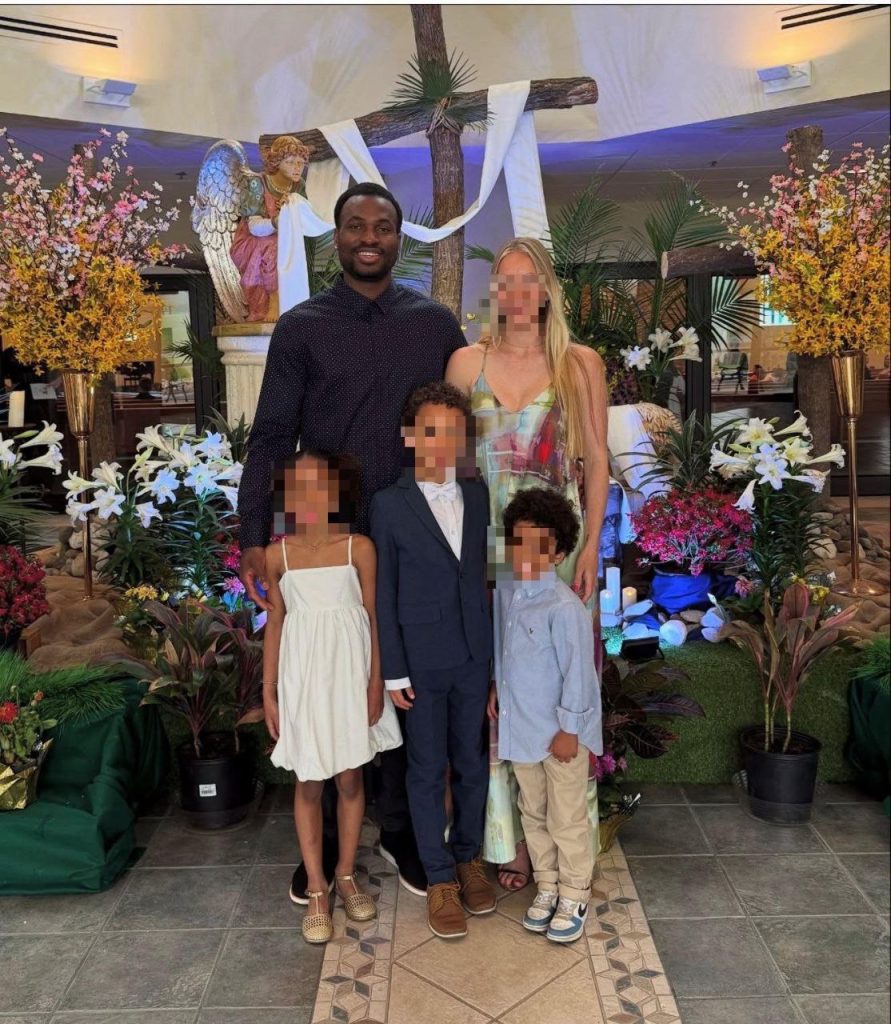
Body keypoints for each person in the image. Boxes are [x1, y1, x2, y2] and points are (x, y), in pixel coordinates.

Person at [238, 181, 466, 901]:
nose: (370, 237)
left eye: (383, 226)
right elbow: (272, 435)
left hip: (415, 534)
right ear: (335, 237)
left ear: (399, 236)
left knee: (401, 677)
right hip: (323, 534)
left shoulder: (434, 324)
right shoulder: (302, 326)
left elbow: (460, 424)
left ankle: (400, 829)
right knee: (325, 674)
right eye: (356, 225)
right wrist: (253, 536)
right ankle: (331, 847)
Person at [446, 236, 609, 891]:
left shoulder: (578, 363)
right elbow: (447, 462)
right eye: (504, 281)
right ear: (495, 293)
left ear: (546, 290)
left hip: (557, 551)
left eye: (527, 280)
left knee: (558, 680)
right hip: (486, 548)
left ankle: (568, 843)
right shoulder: (467, 363)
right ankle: (508, 842)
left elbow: (596, 460)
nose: (516, 293)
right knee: (499, 688)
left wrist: (591, 545)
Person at [262, 450, 402, 944]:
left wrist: (376, 682)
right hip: (303, 681)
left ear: (337, 489)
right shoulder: (277, 555)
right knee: (308, 781)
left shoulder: (358, 548)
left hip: (350, 677)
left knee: (349, 777)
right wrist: (269, 692)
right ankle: (317, 886)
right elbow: (275, 624)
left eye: (320, 483)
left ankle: (345, 873)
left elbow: (375, 618)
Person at [371, 382, 494, 940]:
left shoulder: (479, 495)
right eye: (430, 431)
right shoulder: (388, 505)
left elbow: (487, 579)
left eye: (452, 433)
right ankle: (439, 876)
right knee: (425, 769)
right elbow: (384, 594)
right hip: (420, 662)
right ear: (409, 436)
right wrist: (393, 670)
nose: (440, 443)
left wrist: (493, 664)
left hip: (472, 655)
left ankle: (468, 858)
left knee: (472, 761)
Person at [490, 487, 602, 944]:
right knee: (532, 813)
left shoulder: (564, 606)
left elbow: (579, 673)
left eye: (540, 546)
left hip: (560, 738)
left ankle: (574, 893)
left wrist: (569, 729)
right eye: (519, 543)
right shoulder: (507, 594)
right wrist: (496, 686)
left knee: (567, 818)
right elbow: (504, 650)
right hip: (522, 730)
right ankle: (548, 884)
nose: (527, 554)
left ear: (558, 553)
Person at [230, 135, 310, 322]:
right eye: (290, 162)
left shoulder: (298, 185)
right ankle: (273, 302)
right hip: (251, 241)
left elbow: (302, 216)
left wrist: (293, 209)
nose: (297, 167)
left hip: (283, 239)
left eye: (301, 162)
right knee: (272, 246)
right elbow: (254, 227)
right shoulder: (257, 183)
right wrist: (278, 221)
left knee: (288, 248)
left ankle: (290, 302)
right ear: (276, 162)